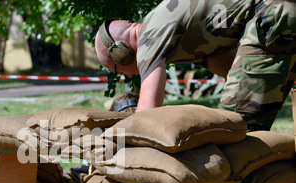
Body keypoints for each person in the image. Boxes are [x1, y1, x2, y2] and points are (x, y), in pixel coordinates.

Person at [95, 0, 296, 131]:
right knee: (252, 119)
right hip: (282, 15)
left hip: (271, 16)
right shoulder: (183, 41)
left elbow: (146, 116)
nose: (128, 77)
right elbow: (231, 71)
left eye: (118, 71)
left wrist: (118, 144)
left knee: (231, 130)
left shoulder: (149, 37)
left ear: (121, 53)